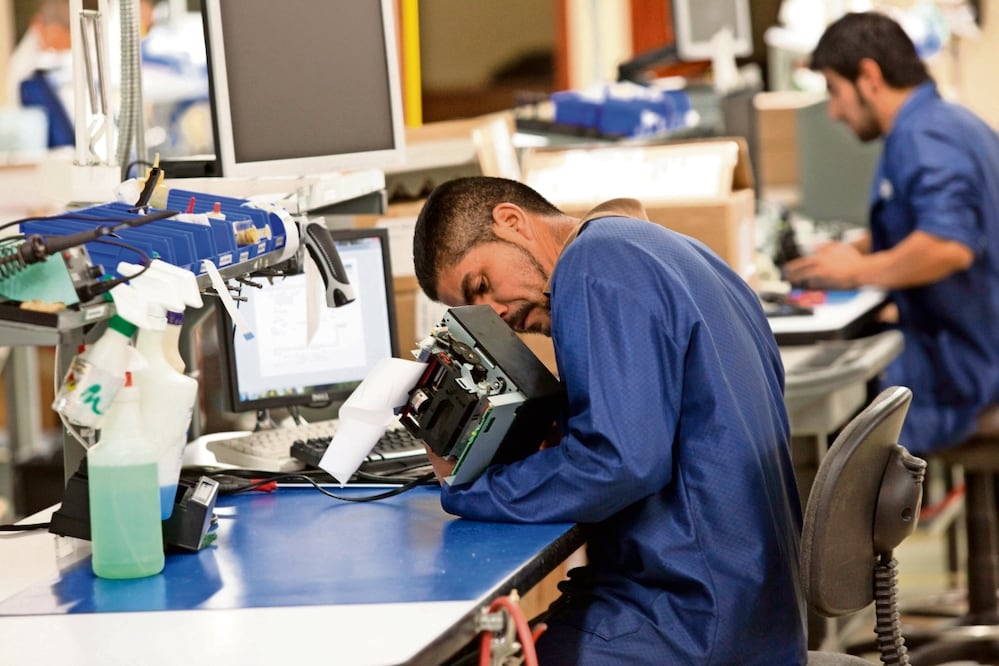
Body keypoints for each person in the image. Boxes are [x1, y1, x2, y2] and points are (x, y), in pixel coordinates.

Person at [412, 177, 806, 664]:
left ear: (512, 222)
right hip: (756, 614)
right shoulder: (679, 251)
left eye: (483, 285)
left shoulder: (592, 265)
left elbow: (618, 463)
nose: (497, 314)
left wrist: (468, 488)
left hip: (689, 623)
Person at [783, 11, 999, 456]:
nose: (836, 112)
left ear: (869, 76)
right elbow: (927, 220)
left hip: (968, 365)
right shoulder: (946, 123)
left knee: (825, 412)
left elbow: (949, 246)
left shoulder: (923, 136)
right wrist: (858, 249)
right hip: (972, 342)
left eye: (834, 92)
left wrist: (857, 271)